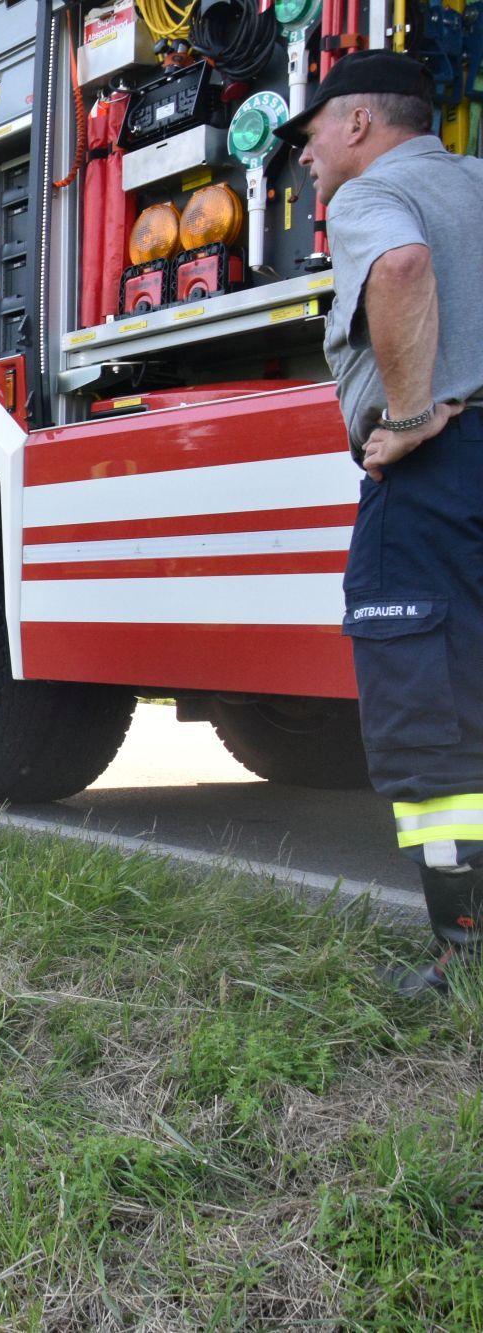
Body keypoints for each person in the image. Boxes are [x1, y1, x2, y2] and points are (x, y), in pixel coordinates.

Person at [281, 51, 483, 995]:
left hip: (438, 481)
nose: (306, 158)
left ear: (357, 122)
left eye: (311, 133)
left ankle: (465, 951)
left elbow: (402, 266)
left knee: (430, 714)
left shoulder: (371, 195)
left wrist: (410, 417)